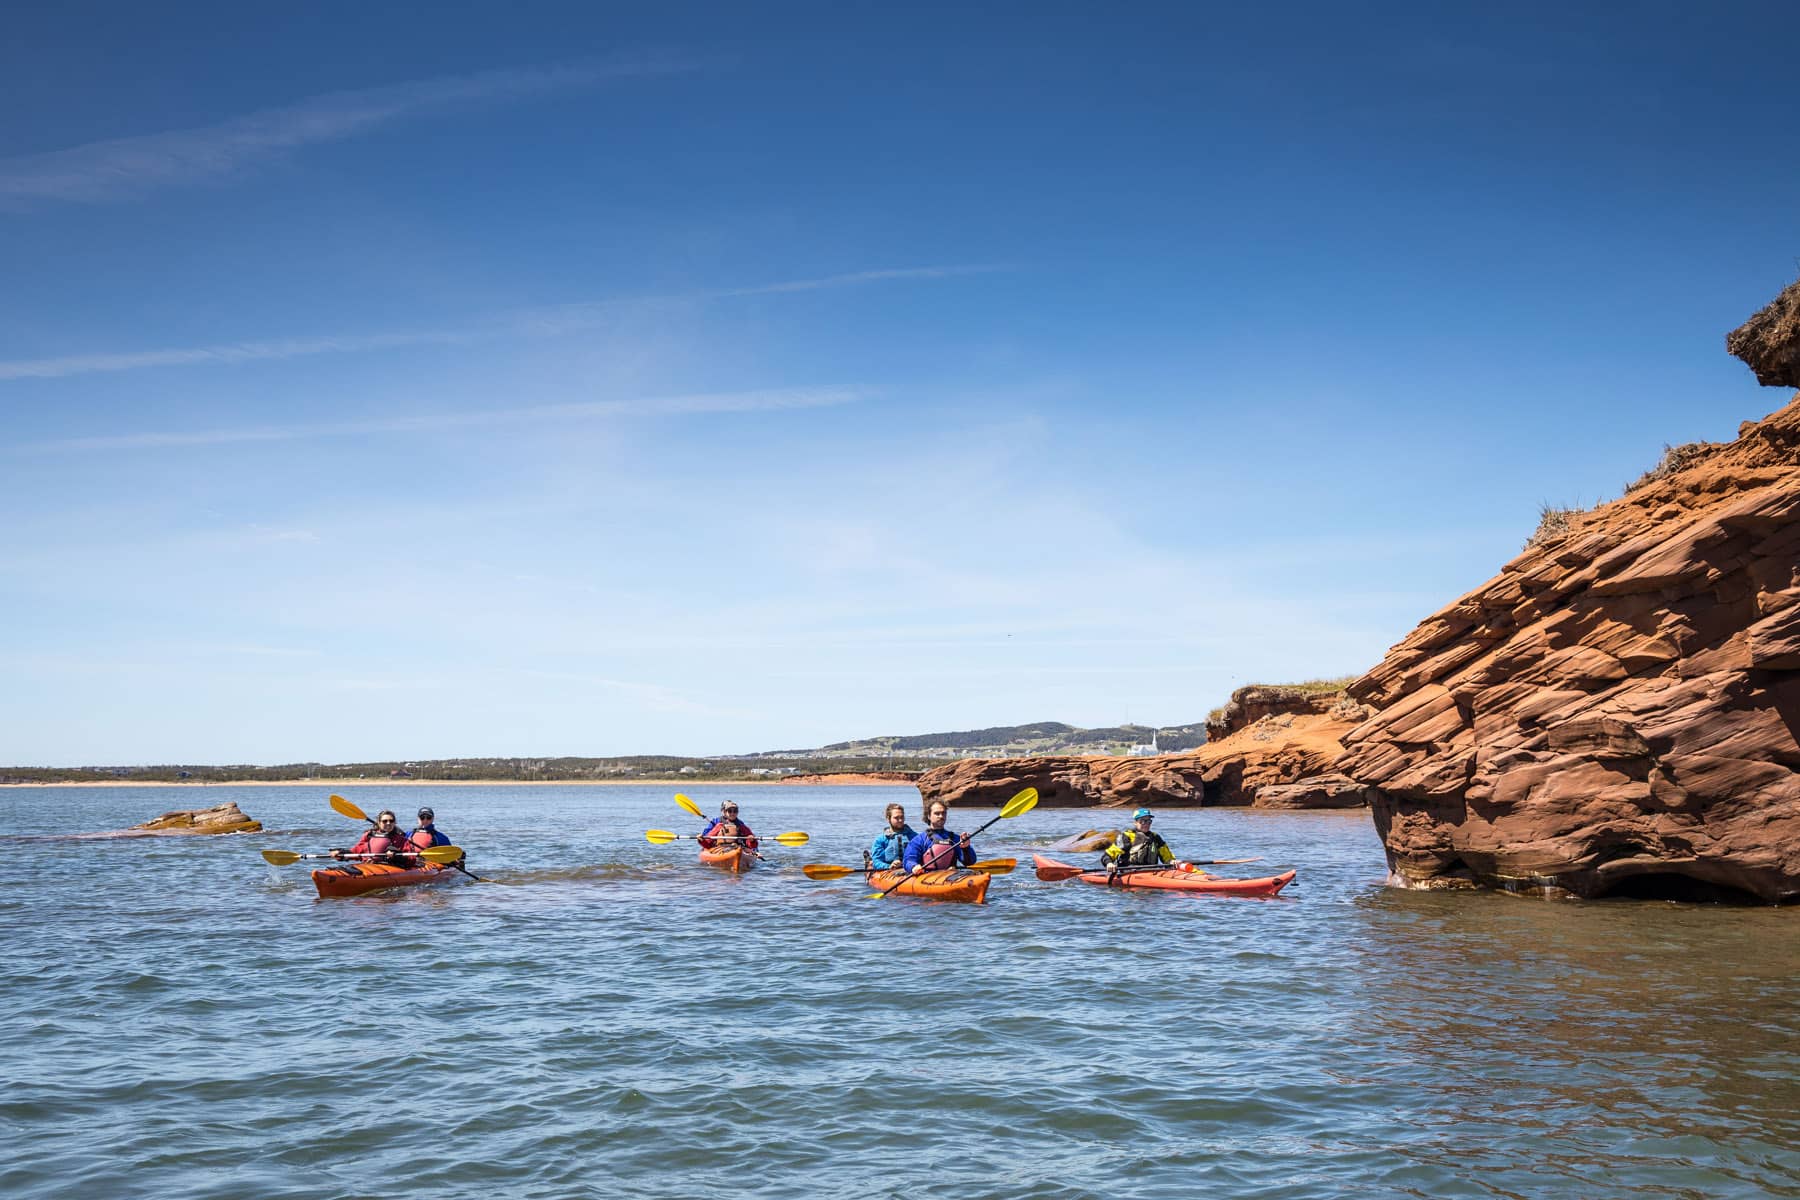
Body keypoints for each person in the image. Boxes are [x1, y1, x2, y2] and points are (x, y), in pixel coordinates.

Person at [903, 800, 974, 874]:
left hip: (950, 876)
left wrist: (966, 848)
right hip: (926, 877)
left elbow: (969, 862)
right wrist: (913, 866)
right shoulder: (919, 840)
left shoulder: (954, 838)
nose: (941, 816)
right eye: (937, 813)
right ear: (929, 816)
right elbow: (909, 859)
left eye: (943, 813)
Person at [1103, 808, 1179, 870]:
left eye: (1149, 821)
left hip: (1152, 871)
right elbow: (1107, 856)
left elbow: (1167, 857)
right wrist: (1109, 863)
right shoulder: (1126, 837)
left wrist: (1171, 861)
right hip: (1130, 872)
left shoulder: (1156, 837)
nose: (1146, 824)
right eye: (1143, 821)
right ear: (1135, 822)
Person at [333, 810, 416, 865]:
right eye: (384, 821)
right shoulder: (369, 836)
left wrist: (397, 855)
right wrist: (341, 854)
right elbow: (356, 851)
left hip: (389, 868)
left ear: (395, 823)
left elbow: (411, 859)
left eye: (391, 821)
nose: (388, 823)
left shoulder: (400, 838)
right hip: (369, 866)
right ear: (379, 823)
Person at [868, 802, 917, 871]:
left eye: (902, 817)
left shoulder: (915, 837)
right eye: (896, 818)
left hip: (912, 868)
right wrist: (889, 866)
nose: (900, 820)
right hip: (889, 870)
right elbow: (876, 862)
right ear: (888, 818)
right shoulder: (880, 840)